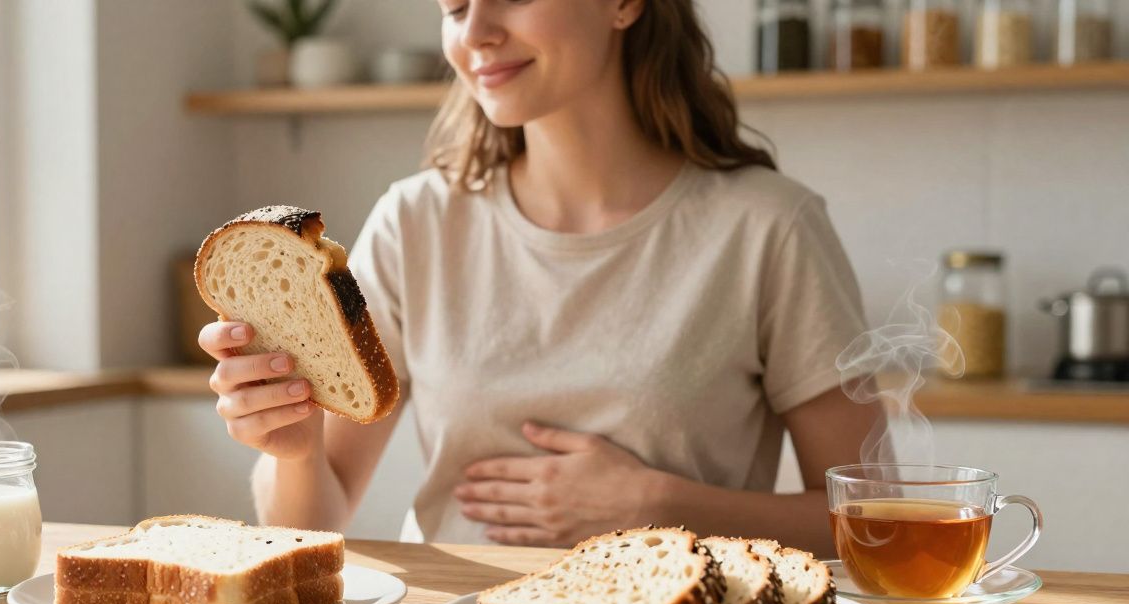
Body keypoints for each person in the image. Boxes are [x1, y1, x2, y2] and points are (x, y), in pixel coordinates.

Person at [198, 0, 881, 556]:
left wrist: (660, 506)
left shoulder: (769, 227)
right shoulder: (415, 221)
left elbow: (876, 520)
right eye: (455, 6)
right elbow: (312, 526)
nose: (477, 33)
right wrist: (295, 451)